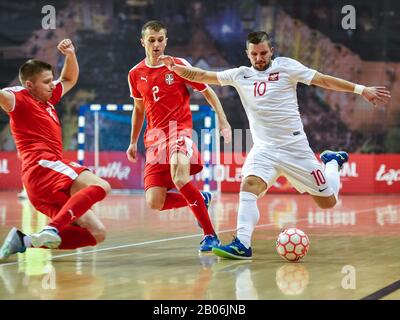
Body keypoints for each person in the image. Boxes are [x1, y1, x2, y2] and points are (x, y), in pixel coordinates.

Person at [159, 31, 391, 259]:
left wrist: (361, 90)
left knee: (328, 202)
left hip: (295, 148)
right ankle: (242, 243)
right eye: (254, 54)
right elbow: (201, 75)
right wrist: (175, 68)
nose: (259, 58)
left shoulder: (286, 67)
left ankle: (330, 162)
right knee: (248, 185)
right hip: (264, 149)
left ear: (271, 51)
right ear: (247, 54)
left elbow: (322, 80)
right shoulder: (240, 75)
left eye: (263, 53)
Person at [0, 39, 111, 260]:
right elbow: (4, 97)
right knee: (103, 185)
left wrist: (70, 54)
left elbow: (69, 78)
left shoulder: (49, 99)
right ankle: (52, 228)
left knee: (97, 233)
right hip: (43, 167)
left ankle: (25, 241)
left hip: (41, 186)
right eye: (47, 81)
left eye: (52, 80)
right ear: (29, 85)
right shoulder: (19, 99)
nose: (53, 85)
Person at [126, 20, 232, 252]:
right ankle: (199, 199)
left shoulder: (178, 65)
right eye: (151, 40)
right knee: (155, 202)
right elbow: (139, 109)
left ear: (166, 41)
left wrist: (222, 120)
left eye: (160, 40)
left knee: (180, 177)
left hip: (179, 133)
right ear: (142, 41)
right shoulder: (135, 74)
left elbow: (208, 90)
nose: (156, 45)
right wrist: (133, 141)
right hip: (154, 141)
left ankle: (210, 235)